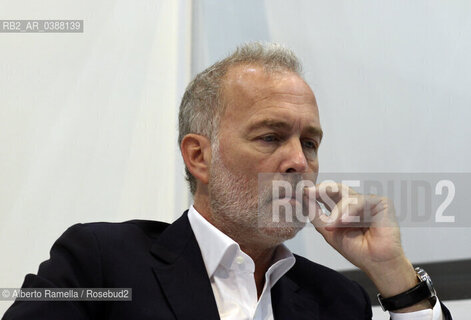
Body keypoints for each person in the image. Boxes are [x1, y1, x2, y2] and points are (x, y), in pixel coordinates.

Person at [3, 42, 452, 319]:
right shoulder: (101, 262)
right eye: (271, 137)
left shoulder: (337, 300)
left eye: (310, 143)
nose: (299, 161)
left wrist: (393, 272)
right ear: (199, 155)